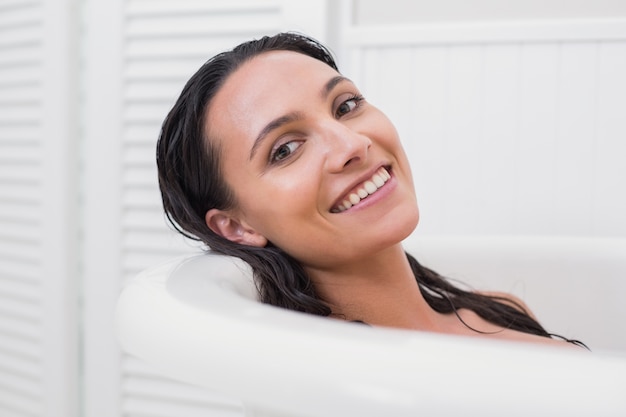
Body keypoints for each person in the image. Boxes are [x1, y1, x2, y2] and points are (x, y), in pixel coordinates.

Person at [156, 32, 585, 349]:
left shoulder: (499, 310)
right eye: (285, 149)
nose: (352, 144)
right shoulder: (334, 387)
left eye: (345, 106)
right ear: (236, 225)